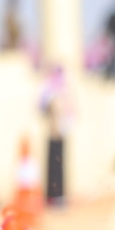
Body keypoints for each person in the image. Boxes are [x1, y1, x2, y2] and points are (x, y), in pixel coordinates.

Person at [39, 66, 74, 206]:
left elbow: (69, 113)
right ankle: (52, 195)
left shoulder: (62, 91)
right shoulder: (49, 91)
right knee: (53, 167)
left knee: (59, 167)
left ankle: (59, 195)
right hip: (54, 135)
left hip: (60, 136)